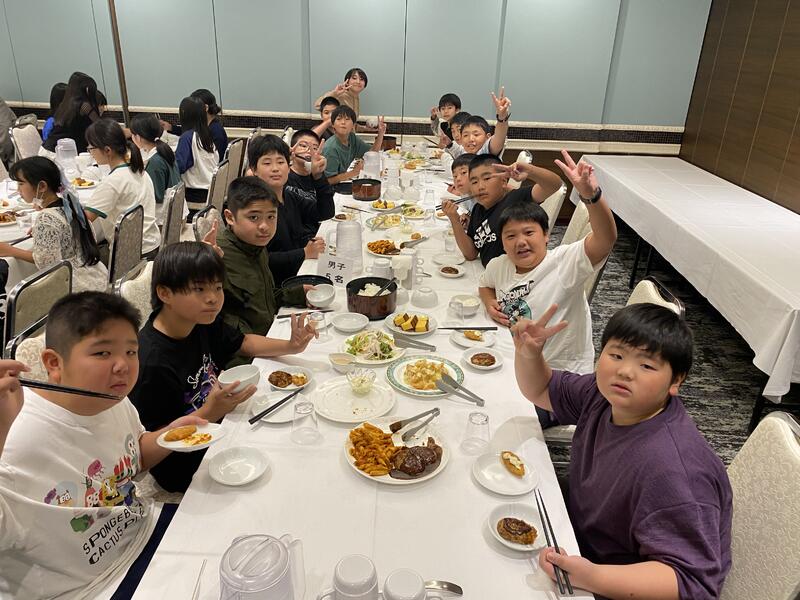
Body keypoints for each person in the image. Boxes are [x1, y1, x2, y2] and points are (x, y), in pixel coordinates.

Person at [512, 303, 732, 600]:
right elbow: (542, 390)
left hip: (615, 579)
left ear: (676, 381)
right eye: (616, 355)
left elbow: (691, 584)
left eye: (647, 365)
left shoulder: (673, 469)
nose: (625, 371)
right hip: (580, 533)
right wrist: (529, 355)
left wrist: (590, 576)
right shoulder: (604, 395)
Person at [0, 292, 208, 598]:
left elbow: (134, 459)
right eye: (102, 353)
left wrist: (169, 434)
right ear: (54, 363)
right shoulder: (15, 435)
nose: (123, 365)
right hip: (90, 587)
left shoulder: (112, 400)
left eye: (131, 351)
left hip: (141, 531)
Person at [130, 242, 316, 492]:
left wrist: (291, 346)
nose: (213, 298)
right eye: (199, 289)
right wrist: (210, 411)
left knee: (299, 443)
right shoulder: (150, 362)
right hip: (189, 469)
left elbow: (243, 342)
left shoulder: (199, 320)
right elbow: (151, 449)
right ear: (165, 293)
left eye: (218, 287)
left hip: (222, 426)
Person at [478, 156, 616, 373]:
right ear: (502, 243)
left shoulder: (564, 263)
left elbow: (605, 239)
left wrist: (592, 196)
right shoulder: (499, 265)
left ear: (546, 235)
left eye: (529, 233)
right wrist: (489, 302)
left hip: (560, 374)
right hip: (516, 359)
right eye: (511, 236)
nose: (520, 242)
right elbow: (485, 284)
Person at [218, 176, 309, 349]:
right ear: (230, 217)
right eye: (254, 217)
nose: (264, 226)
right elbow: (227, 334)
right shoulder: (219, 256)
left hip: (269, 333)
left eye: (271, 216)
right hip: (241, 354)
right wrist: (287, 346)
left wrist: (299, 294)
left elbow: (260, 298)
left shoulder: (255, 245)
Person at [0, 157, 108, 292]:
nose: (18, 190)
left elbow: (47, 263)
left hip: (74, 286)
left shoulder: (46, 218)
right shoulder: (70, 205)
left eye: (21, 184)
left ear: (42, 186)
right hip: (95, 275)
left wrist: (11, 250)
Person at [442, 153, 562, 267]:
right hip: (491, 274)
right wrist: (454, 218)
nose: (480, 187)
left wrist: (530, 171)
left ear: (503, 181)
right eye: (474, 182)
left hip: (515, 275)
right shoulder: (478, 209)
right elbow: (470, 253)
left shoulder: (515, 199)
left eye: (487, 178)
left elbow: (554, 185)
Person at [248, 134, 333, 284]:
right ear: (254, 169)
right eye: (267, 163)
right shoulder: (254, 208)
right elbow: (259, 258)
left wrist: (318, 176)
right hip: (277, 285)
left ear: (289, 167)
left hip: (299, 271)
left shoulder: (289, 196)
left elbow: (325, 213)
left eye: (281, 162)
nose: (275, 169)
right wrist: (304, 253)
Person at [83, 118, 161, 258]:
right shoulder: (140, 170)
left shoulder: (112, 182)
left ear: (107, 150)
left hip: (129, 254)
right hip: (152, 244)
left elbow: (84, 220)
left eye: (91, 148)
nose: (90, 152)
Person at [41, 72, 103, 154]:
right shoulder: (84, 105)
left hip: (49, 149)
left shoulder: (65, 105)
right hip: (63, 152)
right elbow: (99, 125)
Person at [321, 105, 385, 184]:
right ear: (333, 124)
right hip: (329, 189)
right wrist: (353, 172)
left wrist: (381, 133)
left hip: (340, 183)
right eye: (339, 119)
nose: (343, 122)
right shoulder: (331, 148)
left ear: (353, 125)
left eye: (347, 119)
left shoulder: (352, 138)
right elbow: (328, 181)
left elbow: (372, 153)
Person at [160, 89, 227, 161]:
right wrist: (170, 127)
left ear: (205, 108)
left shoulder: (216, 131)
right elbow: (192, 132)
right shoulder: (206, 126)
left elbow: (215, 160)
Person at [175, 96, 218, 206]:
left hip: (195, 194)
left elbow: (179, 166)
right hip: (211, 190)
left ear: (184, 115)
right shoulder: (206, 134)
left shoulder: (187, 137)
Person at [130, 114, 181, 204]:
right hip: (176, 205)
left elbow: (156, 197)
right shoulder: (165, 150)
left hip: (162, 209)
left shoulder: (155, 162)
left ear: (137, 137)